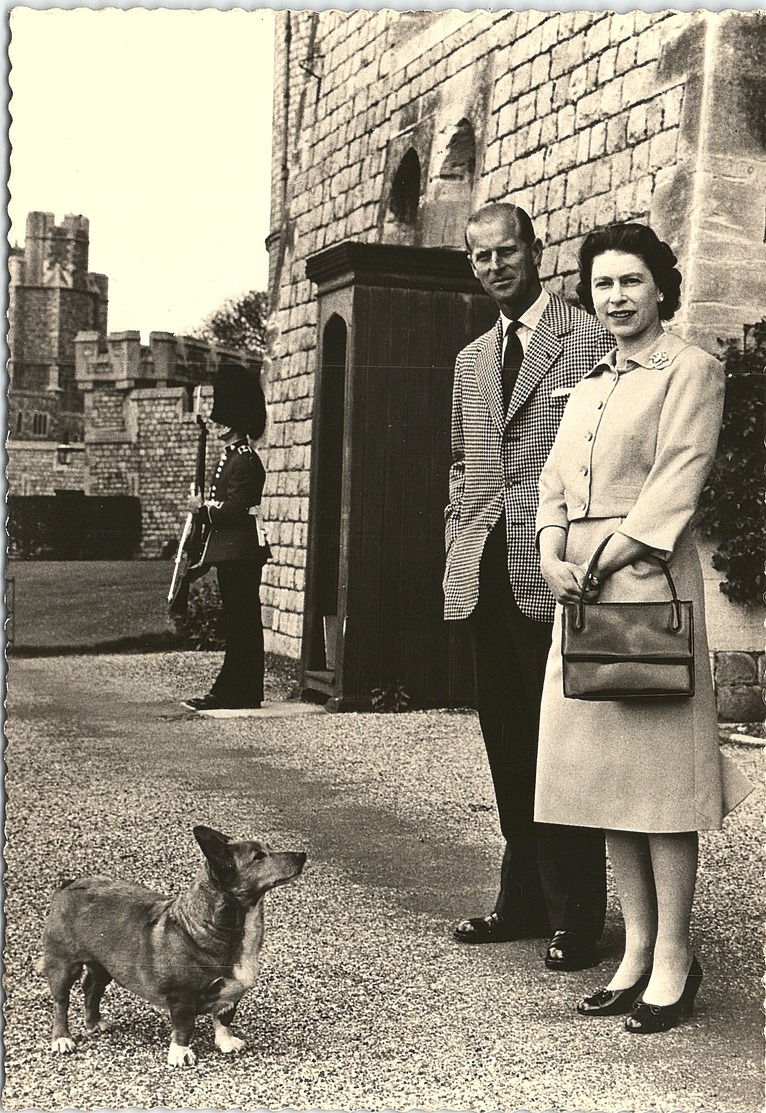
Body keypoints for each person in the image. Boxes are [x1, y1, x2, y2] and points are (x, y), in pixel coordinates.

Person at [534, 222, 753, 1031]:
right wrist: (553, 550)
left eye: (631, 281)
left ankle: (674, 958)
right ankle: (634, 949)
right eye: (602, 285)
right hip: (581, 591)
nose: (617, 297)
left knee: (660, 784)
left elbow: (678, 479)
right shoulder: (587, 383)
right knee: (605, 781)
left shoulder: (690, 368)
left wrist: (605, 556)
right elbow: (555, 483)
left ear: (661, 285)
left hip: (646, 583)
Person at [443, 202, 613, 971]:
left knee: (566, 747)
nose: (494, 267)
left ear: (536, 250)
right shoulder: (471, 359)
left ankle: (582, 910)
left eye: (505, 251)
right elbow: (463, 463)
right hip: (485, 571)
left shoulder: (586, 338)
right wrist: (456, 534)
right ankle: (523, 900)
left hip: (555, 571)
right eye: (480, 258)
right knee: (506, 741)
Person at [182, 362, 271, 712]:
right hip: (230, 549)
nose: (217, 424)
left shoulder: (246, 460)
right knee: (237, 622)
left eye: (223, 418)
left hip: (242, 549)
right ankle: (238, 687)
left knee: (242, 621)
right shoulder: (232, 457)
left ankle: (240, 688)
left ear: (234, 422)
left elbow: (234, 508)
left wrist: (203, 510)